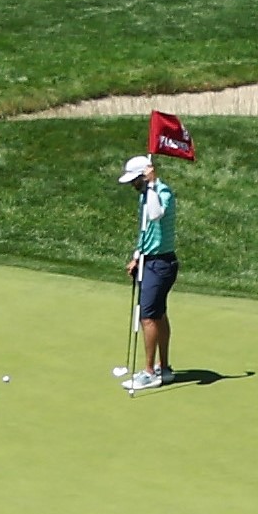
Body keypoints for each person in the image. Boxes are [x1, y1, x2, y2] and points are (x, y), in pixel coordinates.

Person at [115, 148, 182, 389]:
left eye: (134, 179)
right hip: (150, 260)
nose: (132, 184)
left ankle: (150, 372)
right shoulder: (145, 194)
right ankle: (164, 369)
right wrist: (137, 256)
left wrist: (153, 184)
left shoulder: (160, 192)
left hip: (161, 263)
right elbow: (146, 231)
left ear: (144, 176)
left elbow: (155, 216)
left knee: (148, 317)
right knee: (158, 314)